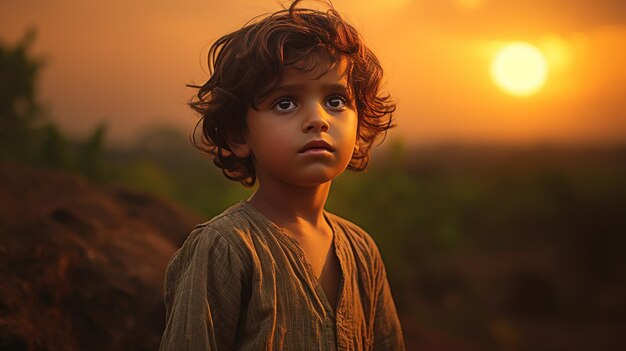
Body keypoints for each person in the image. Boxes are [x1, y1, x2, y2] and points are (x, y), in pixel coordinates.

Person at [159, 1, 405, 350]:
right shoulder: (226, 248)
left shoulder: (361, 250)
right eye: (285, 102)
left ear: (360, 121)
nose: (318, 119)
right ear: (239, 135)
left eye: (336, 100)